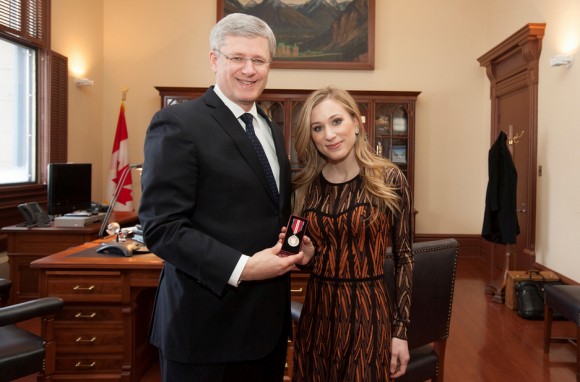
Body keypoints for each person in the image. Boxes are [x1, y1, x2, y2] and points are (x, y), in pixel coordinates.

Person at [138, 13, 306, 382]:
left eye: (259, 60)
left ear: (269, 65)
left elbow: (268, 214)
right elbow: (162, 228)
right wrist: (244, 268)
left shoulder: (271, 129)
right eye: (237, 58)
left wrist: (295, 247)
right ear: (214, 60)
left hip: (267, 331)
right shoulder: (179, 123)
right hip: (205, 330)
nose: (249, 70)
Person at [291, 86, 414, 381]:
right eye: (317, 128)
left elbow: (405, 258)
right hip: (318, 315)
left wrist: (400, 331)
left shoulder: (389, 179)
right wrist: (305, 258)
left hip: (368, 314)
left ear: (356, 123)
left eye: (336, 122)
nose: (329, 135)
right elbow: (296, 253)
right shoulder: (304, 187)